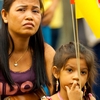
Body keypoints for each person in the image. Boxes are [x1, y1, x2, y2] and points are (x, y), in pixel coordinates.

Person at [0, 0, 55, 99]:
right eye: (21, 9)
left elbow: (59, 94)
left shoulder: (46, 52)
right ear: (5, 15)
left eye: (35, 11)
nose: (29, 16)